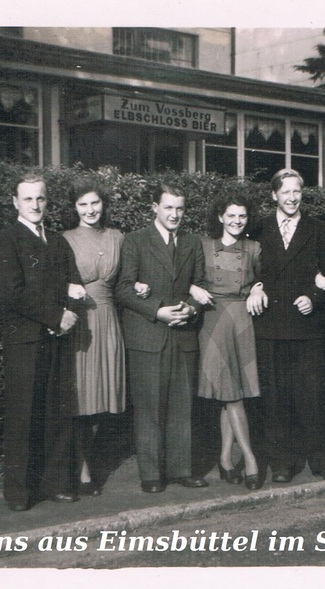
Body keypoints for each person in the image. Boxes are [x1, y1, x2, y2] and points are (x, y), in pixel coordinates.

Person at [0, 173, 83, 511]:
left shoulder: (57, 241)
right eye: (28, 199)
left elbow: (74, 281)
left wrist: (68, 314)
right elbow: (12, 293)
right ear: (15, 202)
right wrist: (55, 316)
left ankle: (56, 484)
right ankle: (19, 492)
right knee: (23, 415)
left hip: (57, 338)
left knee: (57, 412)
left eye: (40, 198)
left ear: (48, 201)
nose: (35, 205)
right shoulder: (6, 240)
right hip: (25, 341)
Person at [247, 169, 325, 483]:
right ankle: (282, 462)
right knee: (276, 397)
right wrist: (256, 286)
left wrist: (314, 297)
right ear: (273, 195)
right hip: (270, 326)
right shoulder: (257, 229)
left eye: (296, 191)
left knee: (313, 395)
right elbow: (246, 268)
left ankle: (320, 459)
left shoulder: (319, 230)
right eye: (285, 192)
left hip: (307, 326)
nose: (291, 198)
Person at [116, 183, 208, 493]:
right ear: (154, 207)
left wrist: (191, 308)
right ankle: (152, 474)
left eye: (180, 208)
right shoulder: (135, 241)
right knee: (149, 406)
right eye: (168, 207)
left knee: (183, 404)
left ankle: (181, 469)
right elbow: (124, 289)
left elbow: (200, 285)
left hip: (183, 335)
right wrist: (157, 311)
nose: (174, 214)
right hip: (148, 335)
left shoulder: (193, 243)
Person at [188, 193, 263, 490]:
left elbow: (265, 277)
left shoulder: (254, 248)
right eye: (230, 215)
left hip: (242, 319)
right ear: (220, 217)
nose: (236, 221)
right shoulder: (202, 245)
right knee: (231, 394)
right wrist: (194, 288)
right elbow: (186, 277)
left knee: (231, 392)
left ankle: (225, 460)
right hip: (213, 318)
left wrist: (258, 287)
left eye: (242, 216)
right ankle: (250, 459)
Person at [62, 178, 126, 495]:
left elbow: (128, 281)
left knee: (105, 397)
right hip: (81, 323)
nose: (90, 210)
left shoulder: (118, 237)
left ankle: (91, 457)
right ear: (74, 208)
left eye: (95, 203)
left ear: (104, 205)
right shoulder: (65, 239)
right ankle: (82, 467)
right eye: (82, 204)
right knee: (82, 397)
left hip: (110, 320)